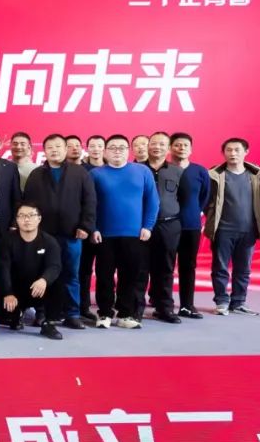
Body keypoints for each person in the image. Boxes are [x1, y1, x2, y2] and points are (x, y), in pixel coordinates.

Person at [22, 134, 96, 329]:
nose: (54, 150)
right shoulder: (36, 174)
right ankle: (42, 312)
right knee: (42, 273)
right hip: (43, 235)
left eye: (58, 146)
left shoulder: (80, 173)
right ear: (44, 151)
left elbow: (89, 201)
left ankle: (72, 314)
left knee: (71, 274)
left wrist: (85, 226)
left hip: (71, 233)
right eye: (50, 147)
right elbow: (27, 204)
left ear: (65, 150)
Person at [90, 135, 159, 330]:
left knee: (130, 276)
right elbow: (89, 204)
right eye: (112, 147)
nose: (117, 151)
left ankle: (125, 313)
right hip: (104, 235)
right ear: (105, 151)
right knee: (104, 276)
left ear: (128, 151)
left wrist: (148, 226)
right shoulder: (96, 174)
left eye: (121, 147)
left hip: (135, 234)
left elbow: (152, 201)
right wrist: (93, 228)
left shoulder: (142, 171)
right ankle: (104, 312)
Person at [204, 138, 260, 316]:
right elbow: (206, 201)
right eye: (229, 150)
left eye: (237, 150)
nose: (233, 153)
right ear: (223, 153)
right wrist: (212, 219)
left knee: (244, 269)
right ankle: (221, 302)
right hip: (223, 230)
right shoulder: (215, 175)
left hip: (248, 230)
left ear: (246, 152)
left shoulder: (257, 176)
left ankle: (238, 302)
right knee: (220, 268)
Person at [0, 204, 64, 340]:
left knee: (58, 283)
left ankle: (49, 323)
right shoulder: (7, 240)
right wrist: (8, 293)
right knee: (0, 309)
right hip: (15, 290)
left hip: (38, 288)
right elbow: (3, 268)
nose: (26, 220)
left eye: (31, 215)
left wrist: (44, 280)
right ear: (17, 220)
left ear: (39, 218)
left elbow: (54, 266)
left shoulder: (49, 241)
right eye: (22, 216)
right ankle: (16, 315)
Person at [138, 131, 184, 324]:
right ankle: (135, 309)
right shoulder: (136, 169)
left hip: (169, 224)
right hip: (140, 226)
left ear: (169, 148)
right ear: (147, 146)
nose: (157, 147)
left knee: (165, 267)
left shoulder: (177, 171)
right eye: (153, 143)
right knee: (139, 267)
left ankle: (164, 308)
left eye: (162, 144)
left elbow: (185, 198)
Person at [170, 132, 212, 319]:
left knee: (188, 266)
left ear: (191, 149)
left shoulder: (200, 171)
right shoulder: (165, 169)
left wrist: (193, 212)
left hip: (191, 226)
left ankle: (187, 305)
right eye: (177, 145)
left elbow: (205, 197)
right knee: (165, 266)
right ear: (171, 148)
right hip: (167, 226)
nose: (181, 148)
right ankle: (163, 304)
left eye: (185, 145)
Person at [78, 134, 106, 320]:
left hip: (108, 227)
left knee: (105, 270)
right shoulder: (81, 170)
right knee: (84, 269)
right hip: (87, 226)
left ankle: (105, 307)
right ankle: (83, 306)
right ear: (87, 148)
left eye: (99, 145)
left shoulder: (113, 167)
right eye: (92, 146)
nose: (96, 149)